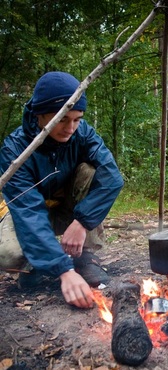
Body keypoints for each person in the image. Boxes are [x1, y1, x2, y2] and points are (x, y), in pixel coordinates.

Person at [0, 71, 124, 309]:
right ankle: (36, 264)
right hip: (32, 213)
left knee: (91, 170)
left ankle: (85, 255)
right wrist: (63, 271)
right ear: (40, 114)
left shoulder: (83, 132)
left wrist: (82, 222)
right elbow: (29, 213)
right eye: (63, 119)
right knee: (7, 253)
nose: (70, 128)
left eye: (77, 119)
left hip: (70, 209)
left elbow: (112, 178)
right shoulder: (14, 149)